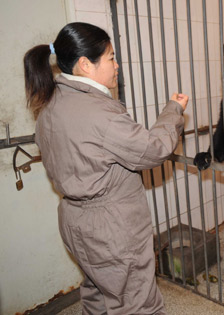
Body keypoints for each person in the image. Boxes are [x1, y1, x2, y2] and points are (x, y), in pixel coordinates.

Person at [23, 22, 188, 314]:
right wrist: (172, 110)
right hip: (112, 230)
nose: (117, 65)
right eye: (111, 57)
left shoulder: (48, 104)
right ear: (86, 64)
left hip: (75, 221)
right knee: (137, 304)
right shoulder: (100, 112)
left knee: (97, 293)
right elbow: (153, 150)